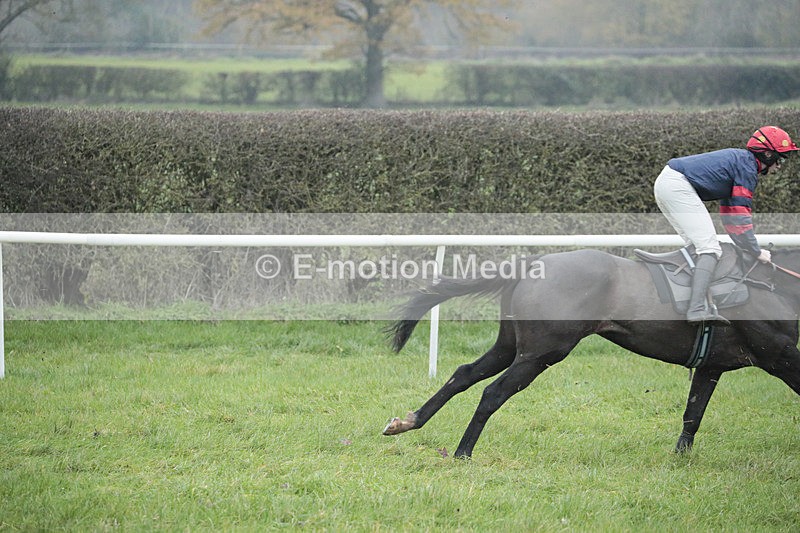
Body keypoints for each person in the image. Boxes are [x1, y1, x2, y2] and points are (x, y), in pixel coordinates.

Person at [654, 126, 798, 325]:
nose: (780, 166)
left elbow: (730, 216)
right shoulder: (747, 169)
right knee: (709, 248)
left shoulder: (742, 163)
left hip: (668, 182)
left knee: (701, 248)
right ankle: (696, 309)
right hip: (677, 185)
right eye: (780, 159)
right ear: (767, 155)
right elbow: (740, 216)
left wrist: (747, 247)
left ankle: (697, 301)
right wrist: (756, 251)